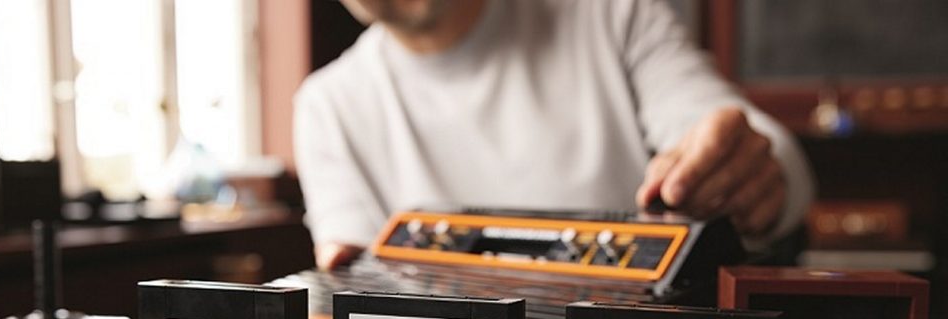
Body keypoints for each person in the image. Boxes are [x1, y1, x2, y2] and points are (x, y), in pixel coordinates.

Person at [294, 0, 814, 270]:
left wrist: (756, 174)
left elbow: (745, 137)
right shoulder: (327, 105)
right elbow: (353, 287)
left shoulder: (613, 16)